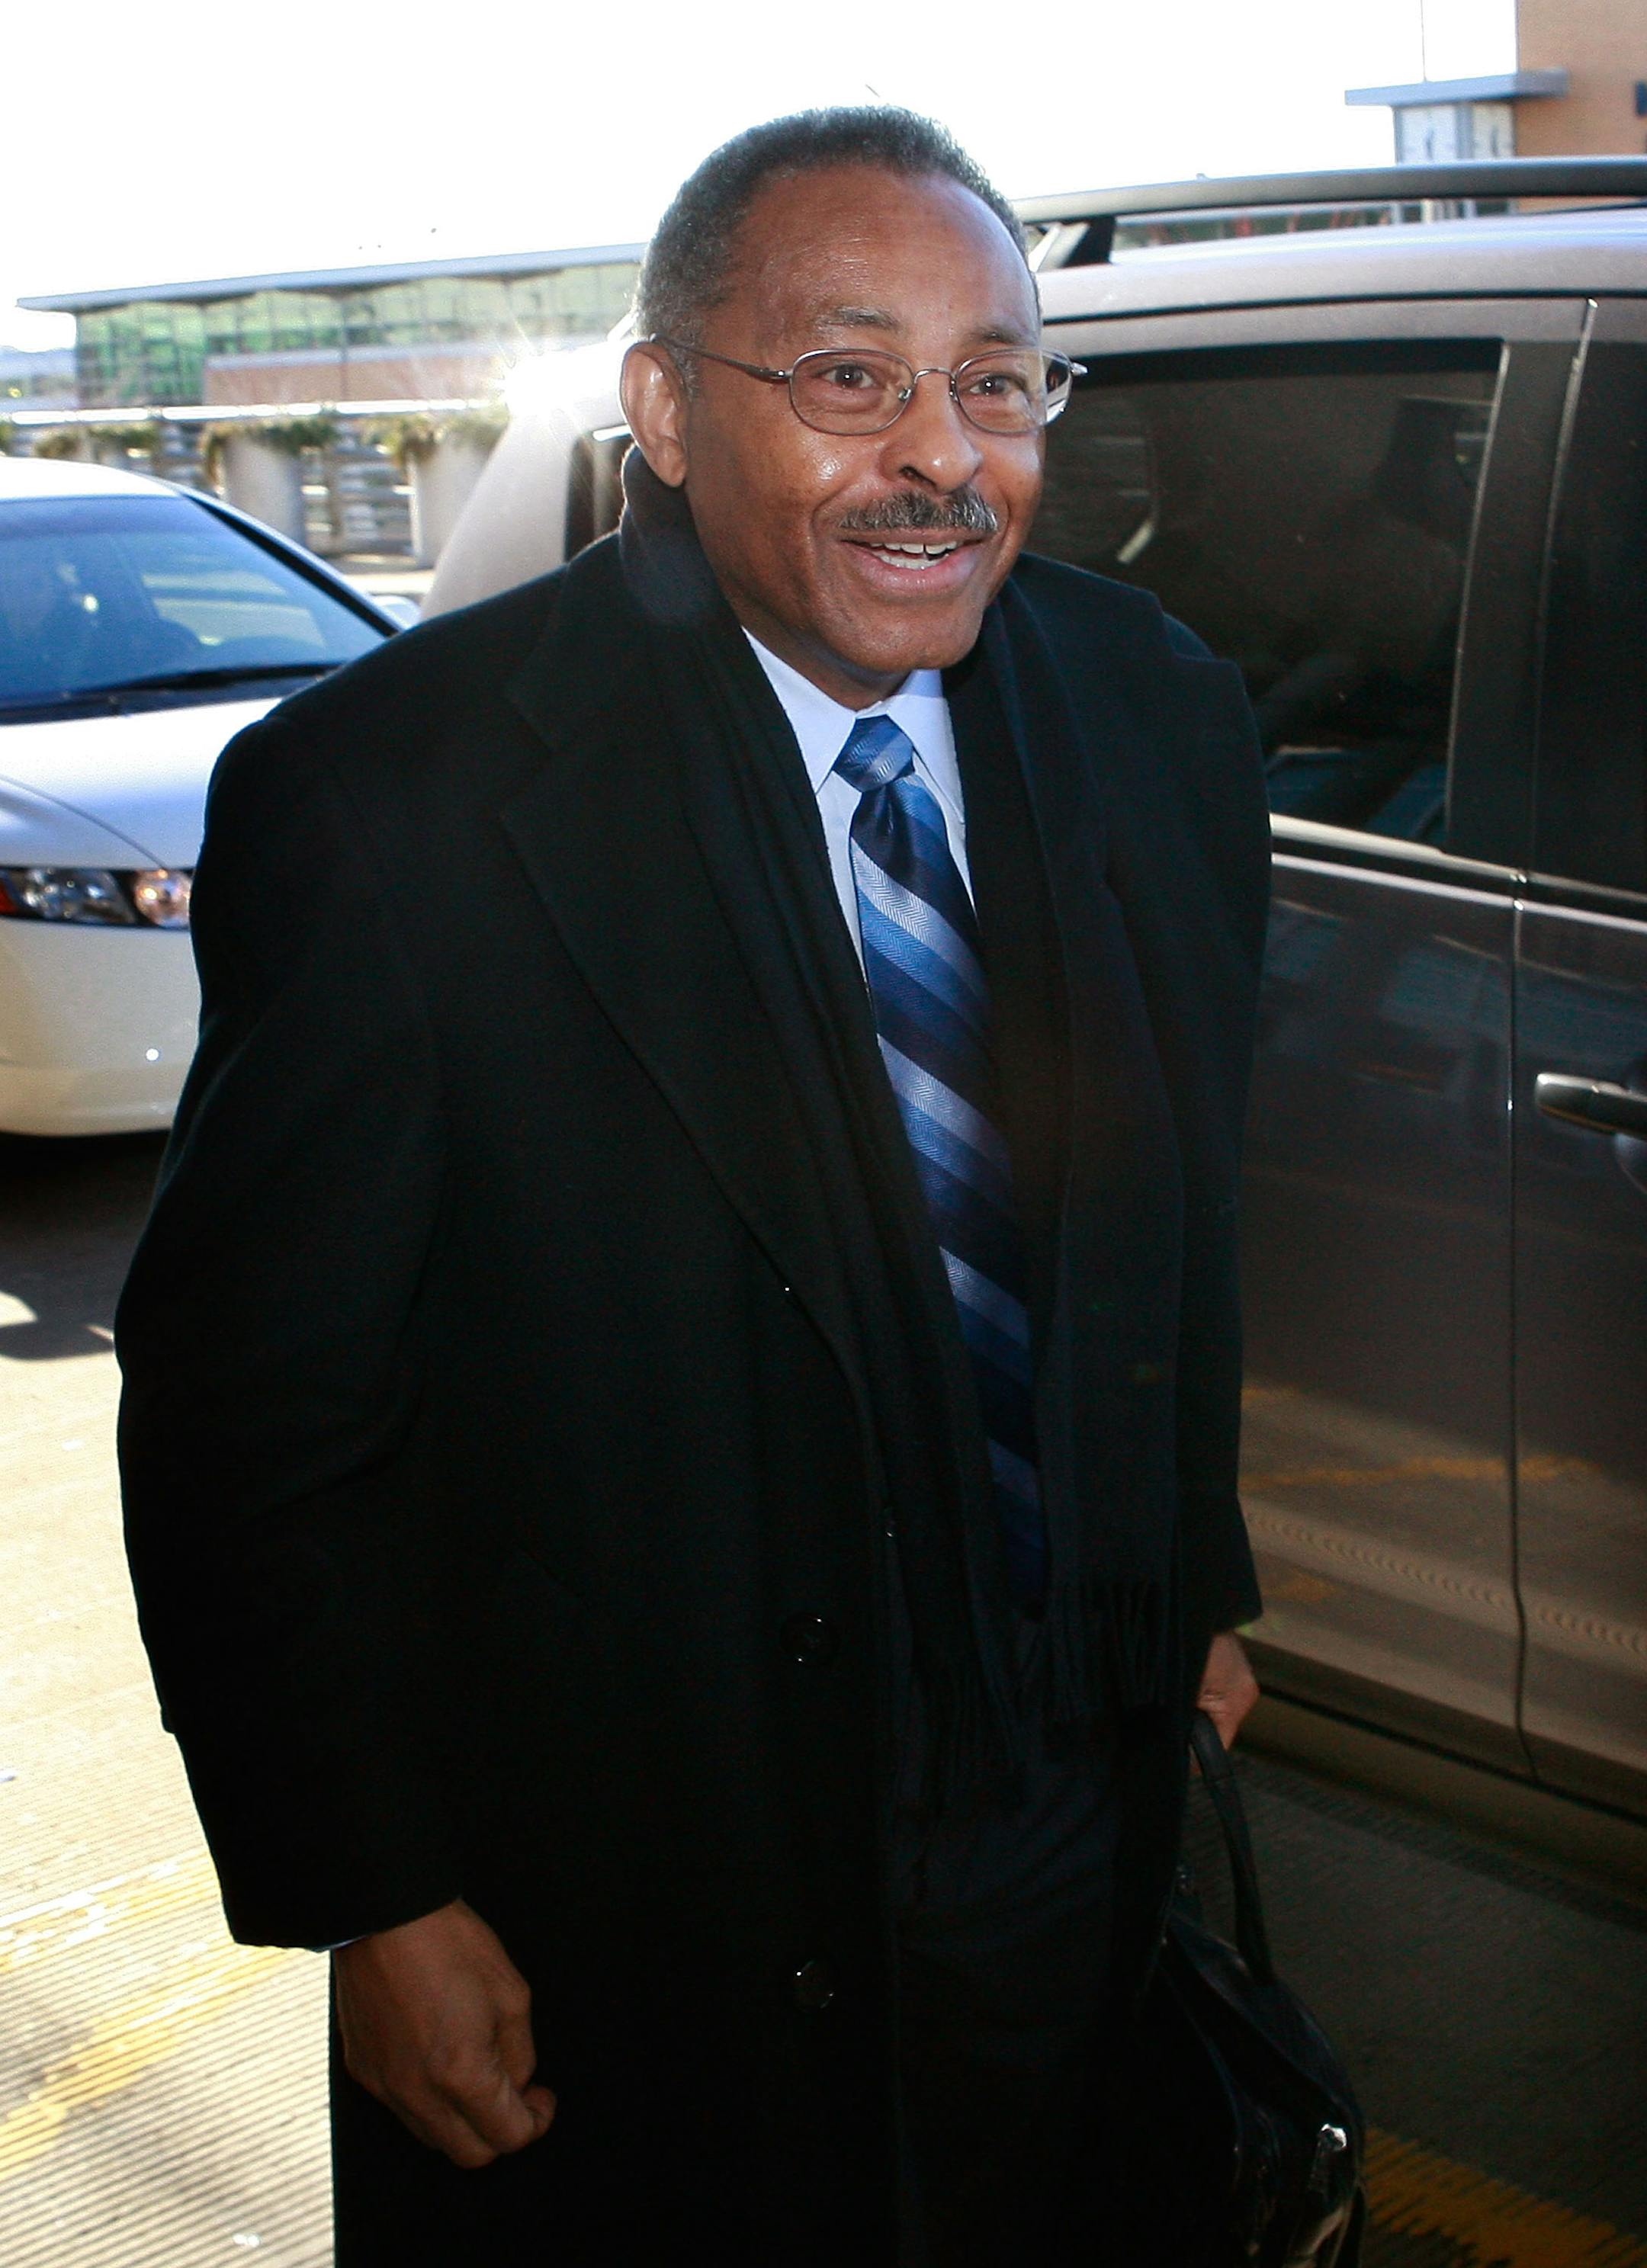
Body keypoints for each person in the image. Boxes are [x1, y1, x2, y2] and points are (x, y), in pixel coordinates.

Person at [117, 106, 1269, 2268]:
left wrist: (1185, 1563)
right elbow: (249, 1414)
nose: (943, 456)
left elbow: (1182, 1200)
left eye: (997, 380)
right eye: (851, 378)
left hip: (1066, 1807)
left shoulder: (1157, 711)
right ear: (663, 408)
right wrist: (375, 1885)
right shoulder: (394, 803)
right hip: (642, 1881)